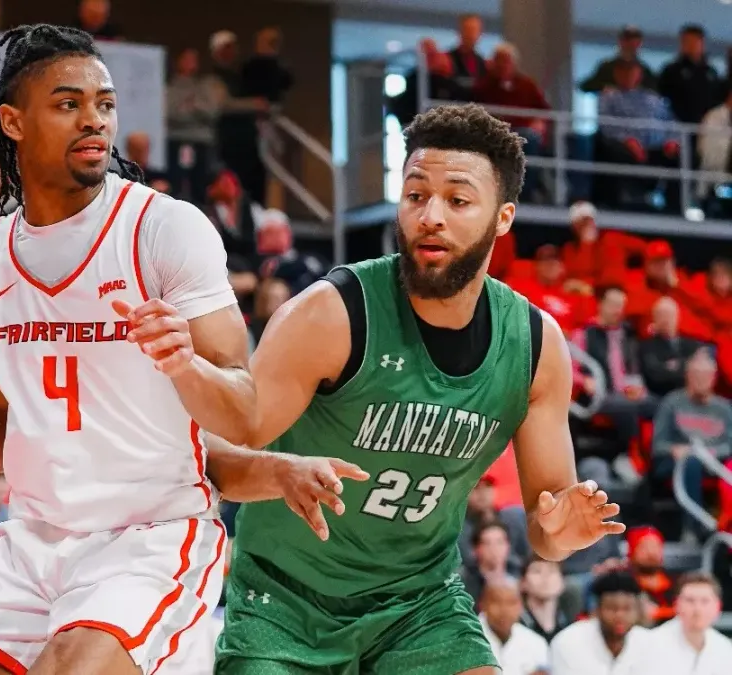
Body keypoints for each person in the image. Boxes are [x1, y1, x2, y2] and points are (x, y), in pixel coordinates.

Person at [0, 24, 337, 675]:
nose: (95, 120)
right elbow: (10, 432)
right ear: (12, 120)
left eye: (106, 103)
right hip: (33, 542)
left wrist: (185, 362)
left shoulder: (163, 230)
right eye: (68, 104)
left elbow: (245, 412)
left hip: (148, 537)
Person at [207, 104, 625, 675]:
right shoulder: (331, 314)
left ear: (502, 218)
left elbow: (546, 527)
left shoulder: (535, 345)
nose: (431, 216)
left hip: (418, 606)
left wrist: (558, 536)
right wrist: (279, 471)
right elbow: (219, 458)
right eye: (415, 195)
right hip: (287, 603)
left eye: (457, 200)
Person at [549, 571, 649, 675]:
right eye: (612, 608)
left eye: (627, 609)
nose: (620, 616)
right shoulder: (569, 641)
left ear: (638, 611)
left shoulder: (649, 643)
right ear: (597, 610)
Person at [634, 571, 732, 674]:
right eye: (690, 600)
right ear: (676, 604)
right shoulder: (651, 644)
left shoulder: (725, 648)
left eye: (705, 601)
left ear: (718, 606)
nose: (697, 609)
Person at [478, 576, 550, 675]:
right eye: (496, 601)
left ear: (521, 606)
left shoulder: (536, 642)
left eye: (511, 602)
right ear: (483, 604)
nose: (504, 610)